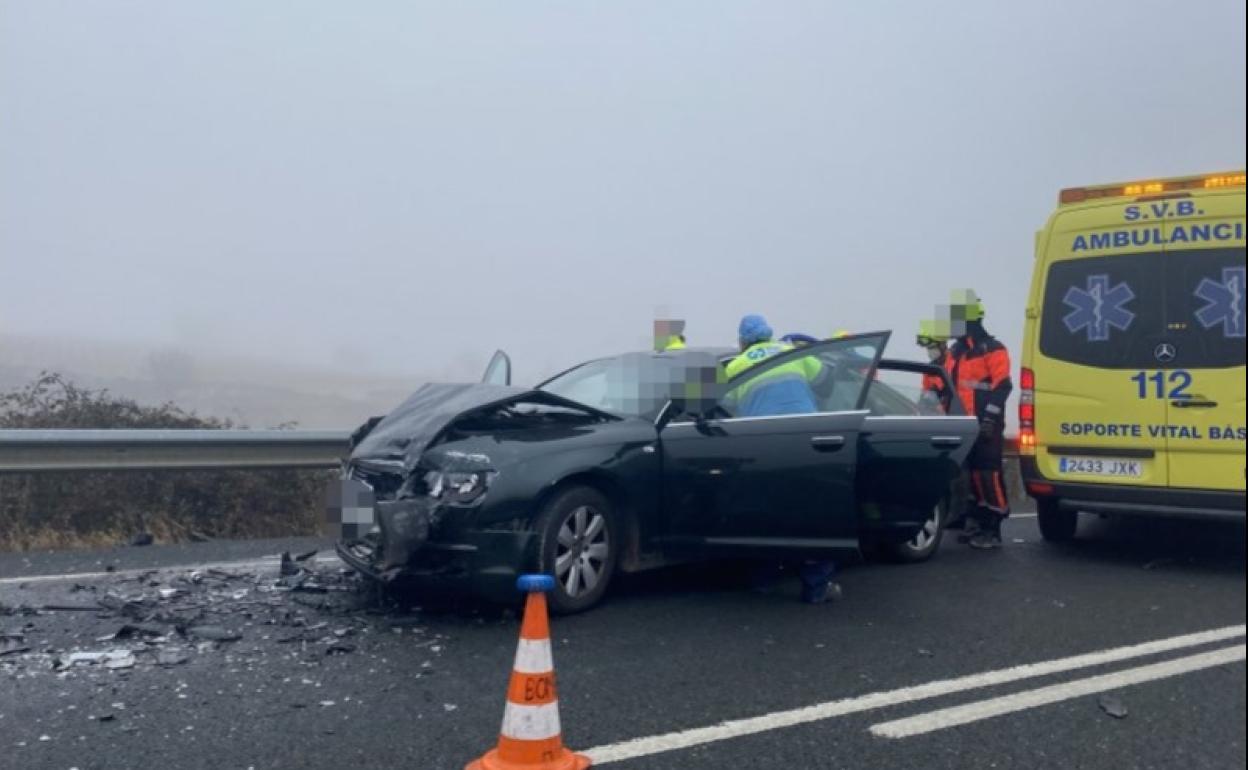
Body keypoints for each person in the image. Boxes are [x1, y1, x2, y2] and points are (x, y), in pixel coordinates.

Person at [727, 314, 841, 604]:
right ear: (769, 334)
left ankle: (762, 580)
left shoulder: (737, 364)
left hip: (763, 444)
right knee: (812, 514)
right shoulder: (793, 352)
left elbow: (706, 400)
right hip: (806, 440)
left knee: (766, 511)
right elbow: (826, 381)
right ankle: (816, 587)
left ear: (742, 341)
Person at [943, 291, 1013, 550]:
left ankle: (993, 527)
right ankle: (976, 521)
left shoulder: (993, 349)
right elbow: (947, 386)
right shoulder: (955, 352)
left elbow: (1002, 386)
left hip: (985, 425)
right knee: (969, 475)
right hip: (961, 424)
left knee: (988, 474)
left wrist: (990, 420)